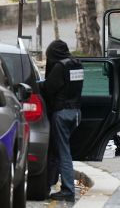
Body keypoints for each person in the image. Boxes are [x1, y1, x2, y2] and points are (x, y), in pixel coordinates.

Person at [42, 40, 84, 202]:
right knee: (63, 150)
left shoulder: (60, 67)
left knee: (63, 152)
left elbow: (48, 88)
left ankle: (67, 189)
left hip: (62, 113)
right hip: (76, 113)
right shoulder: (77, 64)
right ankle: (57, 183)